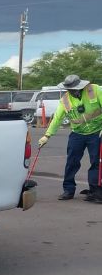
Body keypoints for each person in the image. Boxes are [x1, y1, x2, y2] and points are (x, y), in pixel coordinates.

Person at [37, 74, 102, 202]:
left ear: (81, 86)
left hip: (97, 132)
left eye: (74, 89)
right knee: (72, 162)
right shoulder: (65, 100)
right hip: (77, 134)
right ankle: (68, 190)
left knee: (97, 162)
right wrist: (47, 135)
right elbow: (57, 119)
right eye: (70, 90)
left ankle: (95, 191)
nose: (72, 92)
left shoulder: (95, 90)